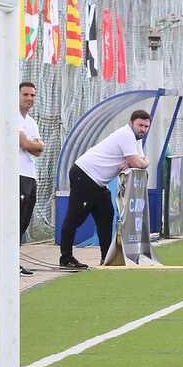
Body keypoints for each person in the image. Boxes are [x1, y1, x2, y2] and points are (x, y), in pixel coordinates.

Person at [59, 109, 151, 270]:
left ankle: (106, 258)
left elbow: (139, 161)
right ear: (131, 123)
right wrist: (137, 161)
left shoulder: (136, 139)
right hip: (85, 174)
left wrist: (136, 161)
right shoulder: (127, 135)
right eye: (140, 125)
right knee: (74, 217)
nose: (143, 129)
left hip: (99, 182)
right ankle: (66, 258)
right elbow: (138, 162)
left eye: (146, 126)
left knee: (106, 215)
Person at [16, 81, 45, 276]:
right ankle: (5, 262)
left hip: (30, 175)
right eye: (25, 94)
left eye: (32, 95)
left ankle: (14, 260)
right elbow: (26, 144)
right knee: (14, 219)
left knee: (24, 221)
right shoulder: (13, 117)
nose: (29, 98)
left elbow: (39, 150)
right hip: (16, 175)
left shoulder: (32, 122)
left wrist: (34, 145)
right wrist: (34, 145)